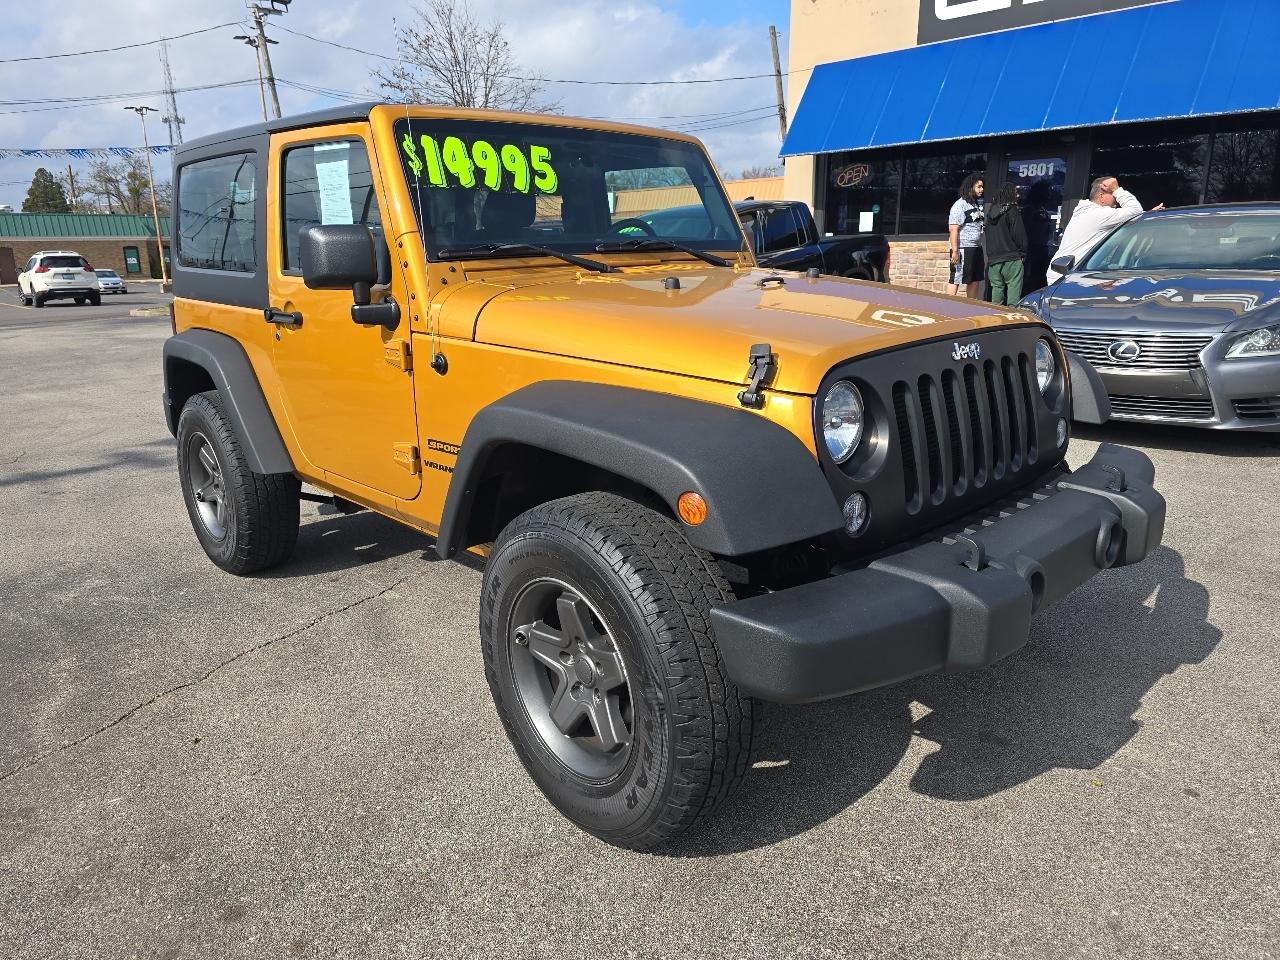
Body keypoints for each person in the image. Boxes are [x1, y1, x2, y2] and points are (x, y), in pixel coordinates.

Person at [1047, 176, 1163, 284]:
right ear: (1101, 197)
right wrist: (1117, 189)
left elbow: (1130, 217)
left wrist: (1147, 214)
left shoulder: (1092, 213)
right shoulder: (1095, 214)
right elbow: (1134, 210)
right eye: (1113, 194)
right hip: (1067, 277)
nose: (1117, 200)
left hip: (1071, 274)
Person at [984, 183, 1027, 306]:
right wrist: (1023, 253)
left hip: (994, 260)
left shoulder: (990, 213)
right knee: (1013, 293)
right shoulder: (1012, 210)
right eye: (1015, 192)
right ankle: (1011, 321)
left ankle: (996, 320)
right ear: (1010, 194)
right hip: (1011, 258)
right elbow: (1019, 234)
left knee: (997, 292)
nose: (1018, 195)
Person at [948, 173, 985, 298]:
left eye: (982, 187)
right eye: (979, 187)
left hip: (976, 248)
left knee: (974, 280)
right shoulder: (960, 205)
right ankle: (946, 306)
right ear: (970, 187)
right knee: (956, 278)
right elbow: (953, 229)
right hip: (963, 248)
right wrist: (955, 251)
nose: (982, 189)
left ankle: (971, 307)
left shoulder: (975, 204)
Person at [1020, 180, 1055, 294]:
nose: (1050, 195)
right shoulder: (1028, 210)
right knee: (1030, 281)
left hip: (1043, 250)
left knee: (1040, 280)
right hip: (1031, 251)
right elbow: (1024, 231)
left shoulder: (1043, 210)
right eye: (1047, 192)